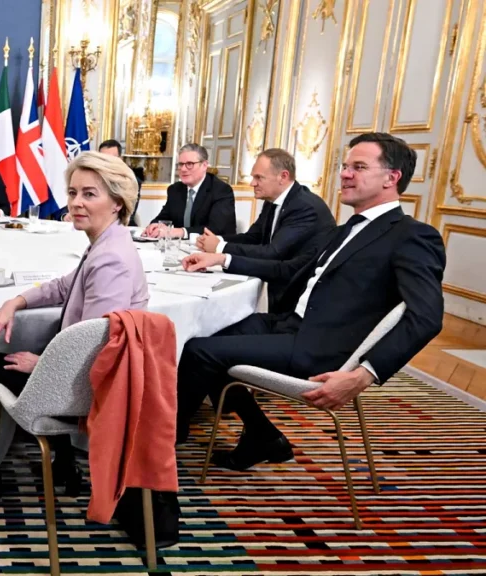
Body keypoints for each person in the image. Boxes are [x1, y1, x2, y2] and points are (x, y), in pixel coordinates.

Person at [177, 132, 445, 471]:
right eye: (345, 166)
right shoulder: (345, 230)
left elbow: (426, 317)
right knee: (203, 336)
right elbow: (289, 269)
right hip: (290, 324)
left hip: (321, 347)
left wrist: (363, 375)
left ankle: (162, 442)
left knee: (200, 352)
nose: (345, 174)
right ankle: (261, 436)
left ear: (392, 178)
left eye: (359, 167)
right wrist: (221, 260)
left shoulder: (412, 235)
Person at [0, 151, 148, 498]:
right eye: (73, 193)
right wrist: (17, 301)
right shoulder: (108, 242)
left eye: (89, 194)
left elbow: (96, 345)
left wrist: (42, 364)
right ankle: (63, 464)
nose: (76, 202)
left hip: (85, 385)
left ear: (118, 203)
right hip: (88, 371)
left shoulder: (111, 260)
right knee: (35, 346)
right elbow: (63, 287)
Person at [194, 148, 335, 309]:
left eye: (259, 177)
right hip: (277, 284)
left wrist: (220, 248)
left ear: (283, 176)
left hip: (299, 297)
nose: (252, 183)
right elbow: (253, 237)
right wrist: (217, 240)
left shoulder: (304, 206)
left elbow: (273, 253)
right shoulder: (273, 200)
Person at [144, 143, 236, 238]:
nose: (183, 169)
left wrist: (181, 232)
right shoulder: (175, 190)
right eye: (181, 164)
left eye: (189, 164)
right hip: (182, 246)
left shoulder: (221, 190)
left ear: (204, 165)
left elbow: (216, 229)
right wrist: (155, 226)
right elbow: (163, 219)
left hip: (214, 246)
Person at [60, 140, 143, 224]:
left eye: (89, 194)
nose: (76, 203)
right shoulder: (86, 177)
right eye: (102, 158)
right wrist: (66, 215)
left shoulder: (130, 181)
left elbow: (128, 215)